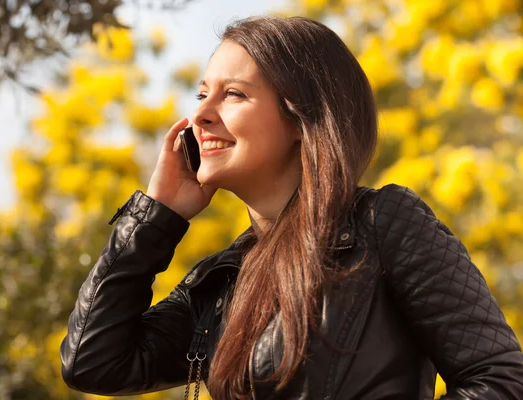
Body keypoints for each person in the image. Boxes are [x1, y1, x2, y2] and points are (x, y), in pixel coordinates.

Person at [60, 15, 523, 400]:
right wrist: (157, 217)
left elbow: (501, 381)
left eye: (233, 94)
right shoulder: (223, 280)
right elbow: (93, 363)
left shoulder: (382, 226)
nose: (199, 114)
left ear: (303, 119)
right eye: (202, 94)